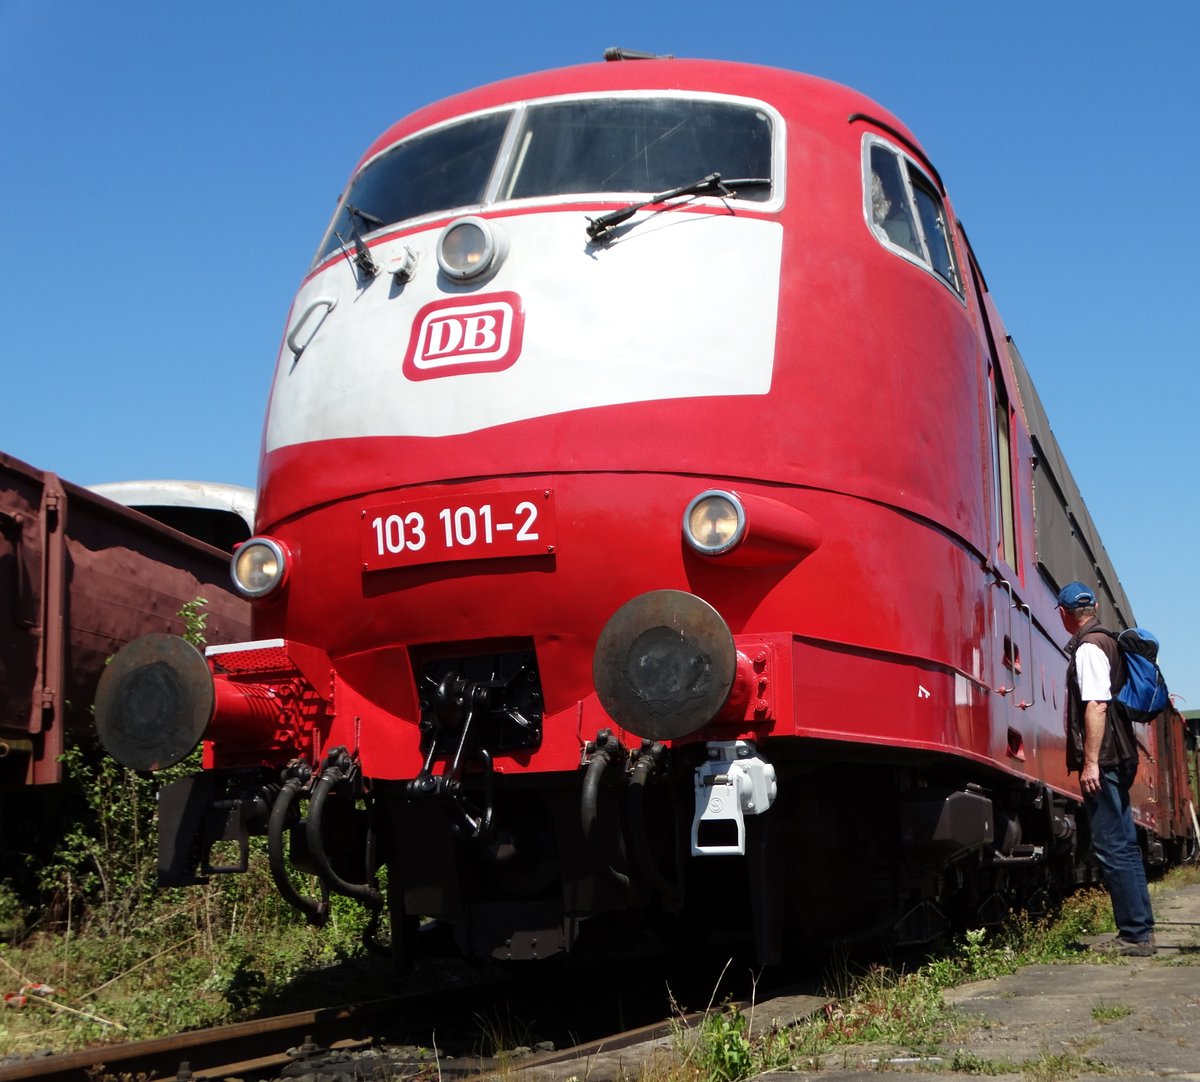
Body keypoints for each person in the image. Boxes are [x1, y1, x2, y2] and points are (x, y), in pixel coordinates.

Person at [1057, 581, 1156, 955]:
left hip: (1108, 757)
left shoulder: (1088, 648)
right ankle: (1139, 930)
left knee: (1113, 845)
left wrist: (1092, 763)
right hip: (1121, 751)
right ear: (1094, 606)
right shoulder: (1109, 641)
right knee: (1124, 845)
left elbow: (1096, 705)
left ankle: (1134, 934)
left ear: (1065, 615)